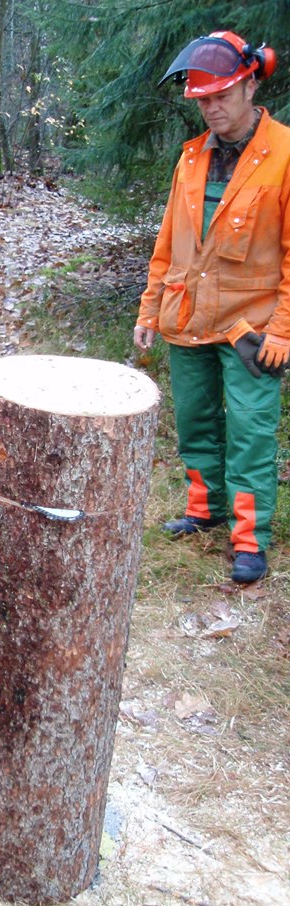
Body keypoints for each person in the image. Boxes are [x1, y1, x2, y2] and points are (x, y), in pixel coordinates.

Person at [134, 30, 289, 584]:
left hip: (252, 326)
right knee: (195, 421)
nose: (212, 109)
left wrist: (284, 330)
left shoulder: (284, 154)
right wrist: (150, 309)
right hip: (188, 315)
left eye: (221, 96)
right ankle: (204, 510)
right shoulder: (192, 157)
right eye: (202, 100)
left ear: (250, 85)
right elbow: (169, 241)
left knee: (249, 430)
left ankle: (249, 539)